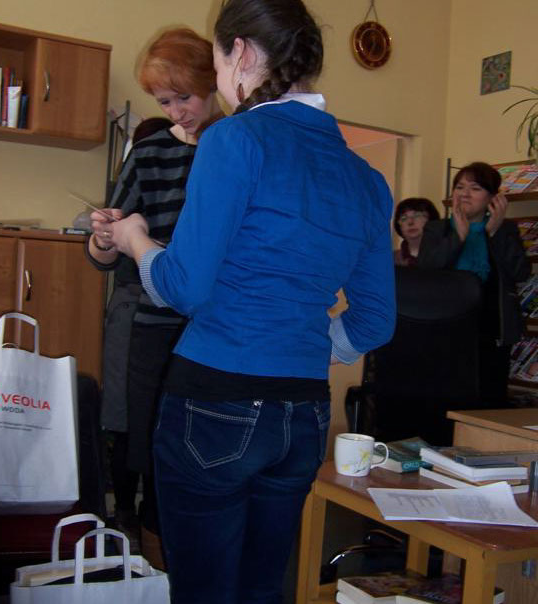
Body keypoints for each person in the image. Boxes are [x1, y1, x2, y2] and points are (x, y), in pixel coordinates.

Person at [92, 0, 396, 601]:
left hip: (216, 401)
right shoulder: (366, 179)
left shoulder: (234, 139)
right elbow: (375, 321)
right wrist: (301, 344)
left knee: (204, 589)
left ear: (242, 52)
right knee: (261, 587)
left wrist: (135, 240)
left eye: (216, 61)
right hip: (304, 413)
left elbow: (184, 287)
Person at [86, 28, 223, 569]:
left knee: (204, 453)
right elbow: (106, 255)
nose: (176, 112)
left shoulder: (238, 145)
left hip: (214, 327)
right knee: (152, 452)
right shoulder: (147, 152)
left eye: (184, 97)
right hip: (154, 324)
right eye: (165, 102)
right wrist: (104, 237)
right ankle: (156, 567)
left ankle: (194, 563)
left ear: (212, 82)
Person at [418, 161, 530, 406]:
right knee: (445, 400)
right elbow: (427, 271)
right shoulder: (437, 229)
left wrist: (494, 233)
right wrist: (458, 236)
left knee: (488, 400)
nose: (464, 194)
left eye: (475, 188)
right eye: (459, 187)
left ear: (493, 198)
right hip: (445, 330)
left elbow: (520, 272)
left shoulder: (505, 229)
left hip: (491, 330)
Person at [393, 197, 440, 266]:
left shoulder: (444, 257)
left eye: (417, 216)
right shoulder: (390, 259)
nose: (410, 222)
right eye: (404, 218)